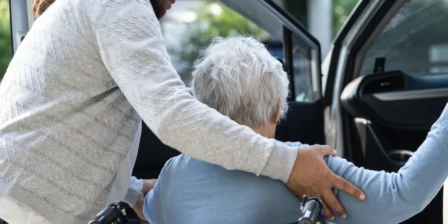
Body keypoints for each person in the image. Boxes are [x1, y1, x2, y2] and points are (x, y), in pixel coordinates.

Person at [0, 0, 366, 223]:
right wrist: (287, 163)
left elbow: (79, 122)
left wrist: (133, 191)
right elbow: (172, 115)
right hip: (27, 205)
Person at [142, 36, 448, 224]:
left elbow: (151, 210)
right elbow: (403, 195)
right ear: (278, 109)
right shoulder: (307, 170)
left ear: (203, 108)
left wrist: (129, 187)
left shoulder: (175, 173)